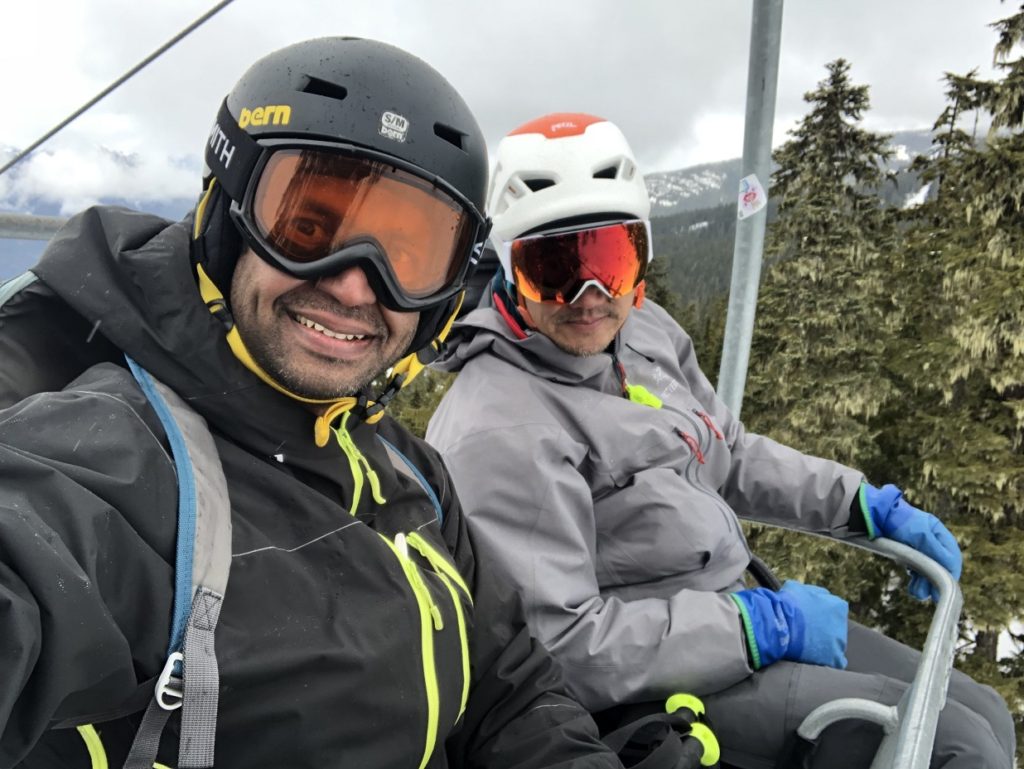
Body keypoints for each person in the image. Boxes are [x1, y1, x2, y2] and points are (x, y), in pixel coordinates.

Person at [0, 44, 625, 769]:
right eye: (307, 228)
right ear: (229, 218)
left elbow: (510, 687)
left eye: (410, 257)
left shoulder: (409, 469)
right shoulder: (117, 460)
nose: (356, 287)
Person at [425, 112, 1016, 769]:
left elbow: (726, 450)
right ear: (509, 270)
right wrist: (757, 627)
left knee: (983, 710)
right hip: (653, 687)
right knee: (955, 747)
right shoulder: (500, 430)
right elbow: (559, 647)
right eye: (553, 270)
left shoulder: (642, 333)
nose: (588, 296)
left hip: (733, 612)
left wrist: (859, 503)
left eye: (613, 261)